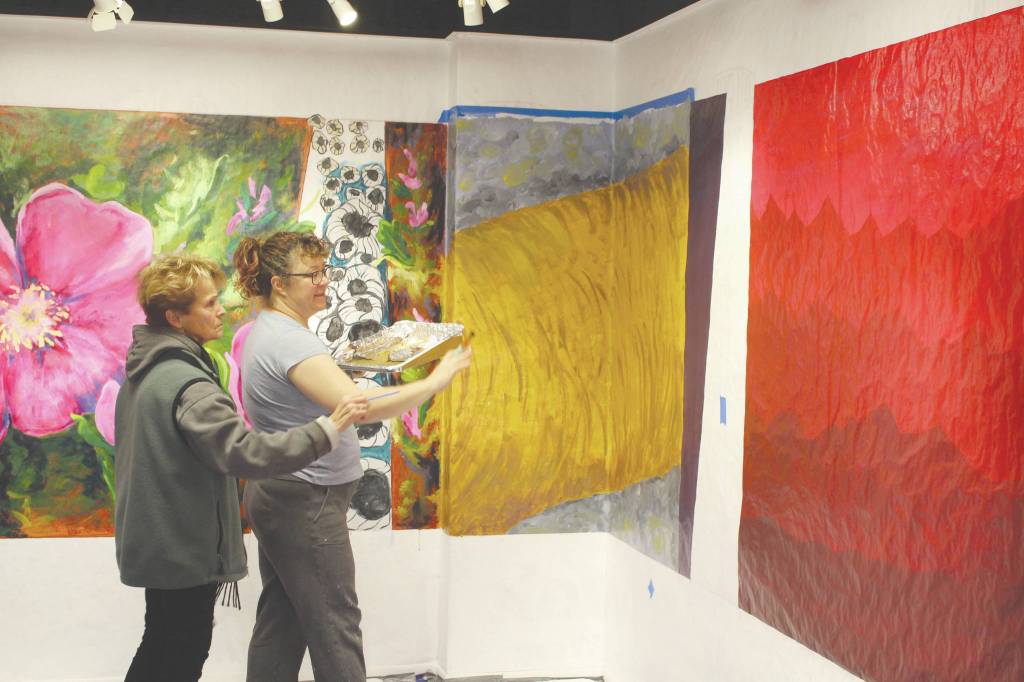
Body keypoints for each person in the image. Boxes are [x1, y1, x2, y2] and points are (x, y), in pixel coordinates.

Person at [114, 253, 369, 682]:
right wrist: (328, 427)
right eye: (210, 304)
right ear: (176, 317)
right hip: (182, 548)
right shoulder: (187, 384)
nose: (222, 310)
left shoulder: (146, 373)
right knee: (177, 651)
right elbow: (247, 453)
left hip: (159, 541)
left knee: (163, 642)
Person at [232, 232, 471, 682]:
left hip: (283, 496)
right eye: (313, 274)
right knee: (336, 627)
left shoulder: (270, 330)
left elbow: (312, 392)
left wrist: (353, 368)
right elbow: (360, 407)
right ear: (279, 283)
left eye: (326, 270)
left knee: (282, 622)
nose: (325, 282)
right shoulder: (290, 341)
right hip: (306, 501)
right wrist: (434, 383)